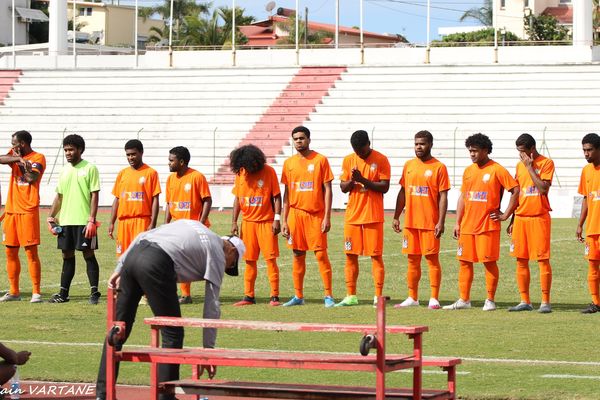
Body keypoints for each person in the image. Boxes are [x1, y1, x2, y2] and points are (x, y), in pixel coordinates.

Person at [95, 219, 245, 400]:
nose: (227, 267)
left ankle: (102, 394)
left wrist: (120, 266)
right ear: (232, 250)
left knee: (118, 329)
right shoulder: (217, 253)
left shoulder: (194, 225)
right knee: (172, 331)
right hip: (157, 262)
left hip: (134, 255)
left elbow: (143, 235)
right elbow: (211, 307)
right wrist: (208, 352)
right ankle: (166, 396)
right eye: (231, 264)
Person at [443, 133, 519, 311]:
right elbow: (464, 196)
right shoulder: (469, 171)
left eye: (475, 151)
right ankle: (464, 299)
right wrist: (457, 222)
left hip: (487, 226)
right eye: (470, 151)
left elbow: (515, 190)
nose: (472, 154)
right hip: (467, 226)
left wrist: (506, 214)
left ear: (485, 150)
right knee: (464, 262)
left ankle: (490, 300)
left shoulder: (497, 169)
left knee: (489, 262)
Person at [392, 130, 450, 310]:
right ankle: (413, 297)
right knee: (412, 260)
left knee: (432, 259)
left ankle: (434, 298)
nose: (419, 147)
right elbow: (403, 192)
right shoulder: (409, 165)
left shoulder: (439, 167)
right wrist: (396, 216)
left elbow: (443, 196)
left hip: (429, 223)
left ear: (431, 145)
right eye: (416, 143)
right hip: (410, 222)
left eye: (422, 143)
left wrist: (441, 221)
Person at [280, 126, 335, 308]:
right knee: (297, 255)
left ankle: (328, 296)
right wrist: (283, 220)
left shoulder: (320, 160)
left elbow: (328, 190)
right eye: (295, 139)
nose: (299, 141)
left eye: (302, 138)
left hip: (316, 215)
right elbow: (286, 195)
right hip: (296, 215)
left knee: (320, 255)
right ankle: (298, 296)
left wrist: (327, 216)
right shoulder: (288, 163)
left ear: (309, 139)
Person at [336, 130, 390, 307]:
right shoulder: (348, 160)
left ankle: (377, 296)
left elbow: (384, 187)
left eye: (361, 149)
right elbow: (343, 187)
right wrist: (352, 181)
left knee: (376, 256)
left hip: (373, 216)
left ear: (368, 143)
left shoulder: (381, 159)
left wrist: (363, 180)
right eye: (356, 150)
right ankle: (351, 295)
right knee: (350, 256)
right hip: (352, 216)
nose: (359, 153)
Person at [47, 134, 101, 304]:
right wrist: (51, 216)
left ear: (80, 150)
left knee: (88, 254)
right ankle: (63, 294)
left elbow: (94, 195)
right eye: (65, 150)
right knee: (67, 256)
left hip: (84, 221)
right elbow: (59, 197)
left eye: (71, 149)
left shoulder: (90, 168)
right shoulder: (64, 170)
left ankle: (94, 293)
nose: (68, 153)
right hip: (66, 221)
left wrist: (91, 219)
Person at [506, 134, 554, 314]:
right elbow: (518, 194)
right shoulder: (519, 166)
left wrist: (530, 167)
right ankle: (525, 300)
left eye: (523, 152)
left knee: (542, 259)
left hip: (539, 217)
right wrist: (512, 219)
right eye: (519, 152)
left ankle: (545, 301)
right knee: (521, 260)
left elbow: (542, 189)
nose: (521, 156)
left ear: (532, 149)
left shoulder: (546, 163)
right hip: (521, 219)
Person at [230, 144, 282, 306]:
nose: (248, 168)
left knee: (270, 259)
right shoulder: (240, 173)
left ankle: (274, 296)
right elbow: (237, 199)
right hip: (248, 224)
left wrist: (277, 219)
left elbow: (277, 197)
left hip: (266, 223)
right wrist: (234, 221)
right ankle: (248, 296)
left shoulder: (269, 171)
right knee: (249, 261)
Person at [0, 131, 46, 303]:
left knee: (30, 252)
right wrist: (18, 159)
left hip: (28, 210)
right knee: (10, 251)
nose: (12, 146)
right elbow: (1, 158)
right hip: (11, 210)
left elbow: (31, 178)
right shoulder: (15, 155)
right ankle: (14, 292)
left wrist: (23, 166)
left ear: (23, 144)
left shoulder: (39, 157)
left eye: (15, 143)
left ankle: (36, 292)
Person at [165, 146, 212, 305]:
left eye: (171, 160)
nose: (169, 163)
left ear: (182, 162)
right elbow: (169, 203)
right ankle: (185, 295)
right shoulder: (170, 179)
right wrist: (166, 225)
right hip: (178, 227)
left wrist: (201, 222)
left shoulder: (197, 177)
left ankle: (207, 292)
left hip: (194, 227)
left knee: (203, 262)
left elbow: (207, 200)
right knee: (177, 260)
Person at [108, 139, 160, 257]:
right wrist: (111, 222)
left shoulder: (151, 173)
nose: (130, 157)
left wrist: (153, 223)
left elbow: (155, 199)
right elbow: (117, 199)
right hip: (123, 223)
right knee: (122, 259)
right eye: (128, 155)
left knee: (141, 257)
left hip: (142, 221)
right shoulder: (122, 174)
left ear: (141, 153)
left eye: (133, 154)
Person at [576, 133, 600, 314]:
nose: (586, 153)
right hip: (592, 229)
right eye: (584, 150)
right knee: (592, 266)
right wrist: (580, 224)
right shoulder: (586, 171)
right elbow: (586, 198)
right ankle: (596, 302)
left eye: (589, 150)